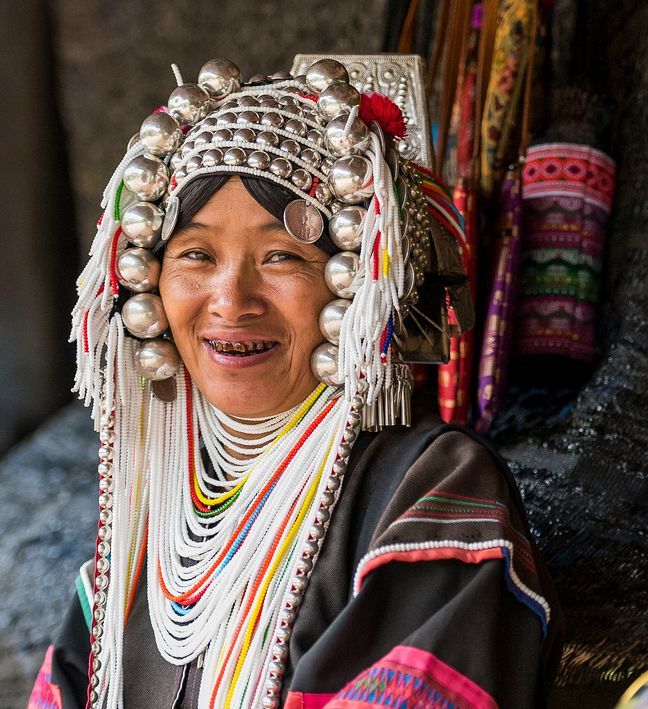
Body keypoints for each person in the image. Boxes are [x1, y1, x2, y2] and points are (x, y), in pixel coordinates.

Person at [27, 57, 561, 709]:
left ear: (357, 282)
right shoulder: (142, 534)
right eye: (195, 254)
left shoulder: (431, 490)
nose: (231, 298)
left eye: (282, 255)